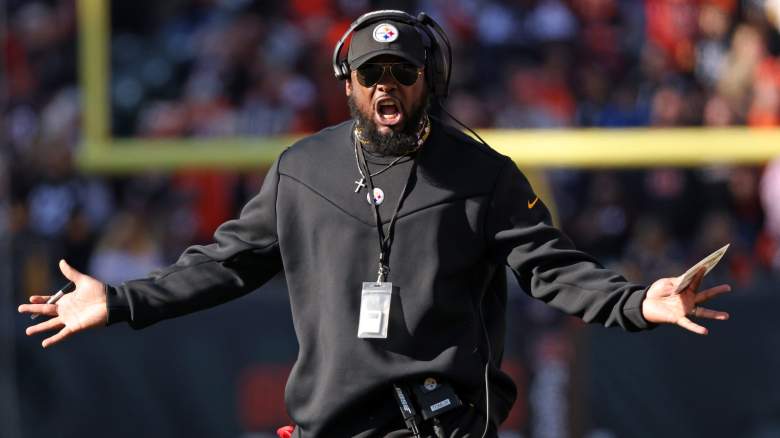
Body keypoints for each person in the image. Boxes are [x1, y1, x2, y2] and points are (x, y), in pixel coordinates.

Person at [18, 10, 732, 438]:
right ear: (347, 81)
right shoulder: (302, 169)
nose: (387, 86)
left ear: (432, 78)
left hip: (440, 425)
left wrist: (638, 302)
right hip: (330, 425)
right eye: (371, 73)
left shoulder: (482, 174)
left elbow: (552, 267)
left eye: (402, 71)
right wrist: (119, 300)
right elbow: (225, 262)